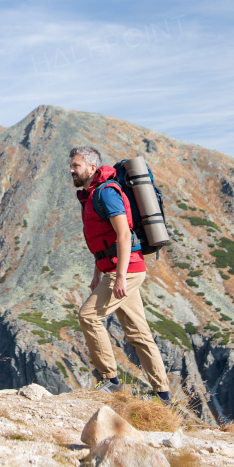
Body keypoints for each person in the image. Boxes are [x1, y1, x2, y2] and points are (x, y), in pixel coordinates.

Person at [68, 145, 172, 402]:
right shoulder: (91, 195)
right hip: (115, 269)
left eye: (76, 166)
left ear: (92, 168)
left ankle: (110, 381)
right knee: (139, 333)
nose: (71, 171)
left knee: (88, 316)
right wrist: (97, 273)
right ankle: (163, 396)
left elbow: (123, 234)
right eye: (71, 166)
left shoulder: (107, 193)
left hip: (125, 271)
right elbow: (104, 240)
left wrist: (121, 277)